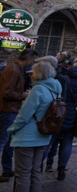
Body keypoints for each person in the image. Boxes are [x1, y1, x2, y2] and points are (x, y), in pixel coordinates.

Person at [7, 59, 62, 192]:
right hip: (43, 135)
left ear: (39, 74)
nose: (31, 75)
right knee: (36, 171)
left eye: (33, 73)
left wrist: (12, 129)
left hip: (27, 137)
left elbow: (24, 115)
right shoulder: (55, 89)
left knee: (23, 174)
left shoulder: (38, 89)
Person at [44, 56, 77, 180]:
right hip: (74, 114)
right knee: (67, 142)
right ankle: (61, 169)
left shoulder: (64, 78)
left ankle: (41, 164)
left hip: (59, 112)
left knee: (49, 141)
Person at [0, 48, 35, 183]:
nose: (31, 63)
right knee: (3, 140)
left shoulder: (15, 69)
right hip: (8, 109)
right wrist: (23, 95)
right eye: (31, 60)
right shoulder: (14, 70)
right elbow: (6, 92)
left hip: (12, 109)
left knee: (9, 142)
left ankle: (7, 169)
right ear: (27, 59)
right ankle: (6, 169)